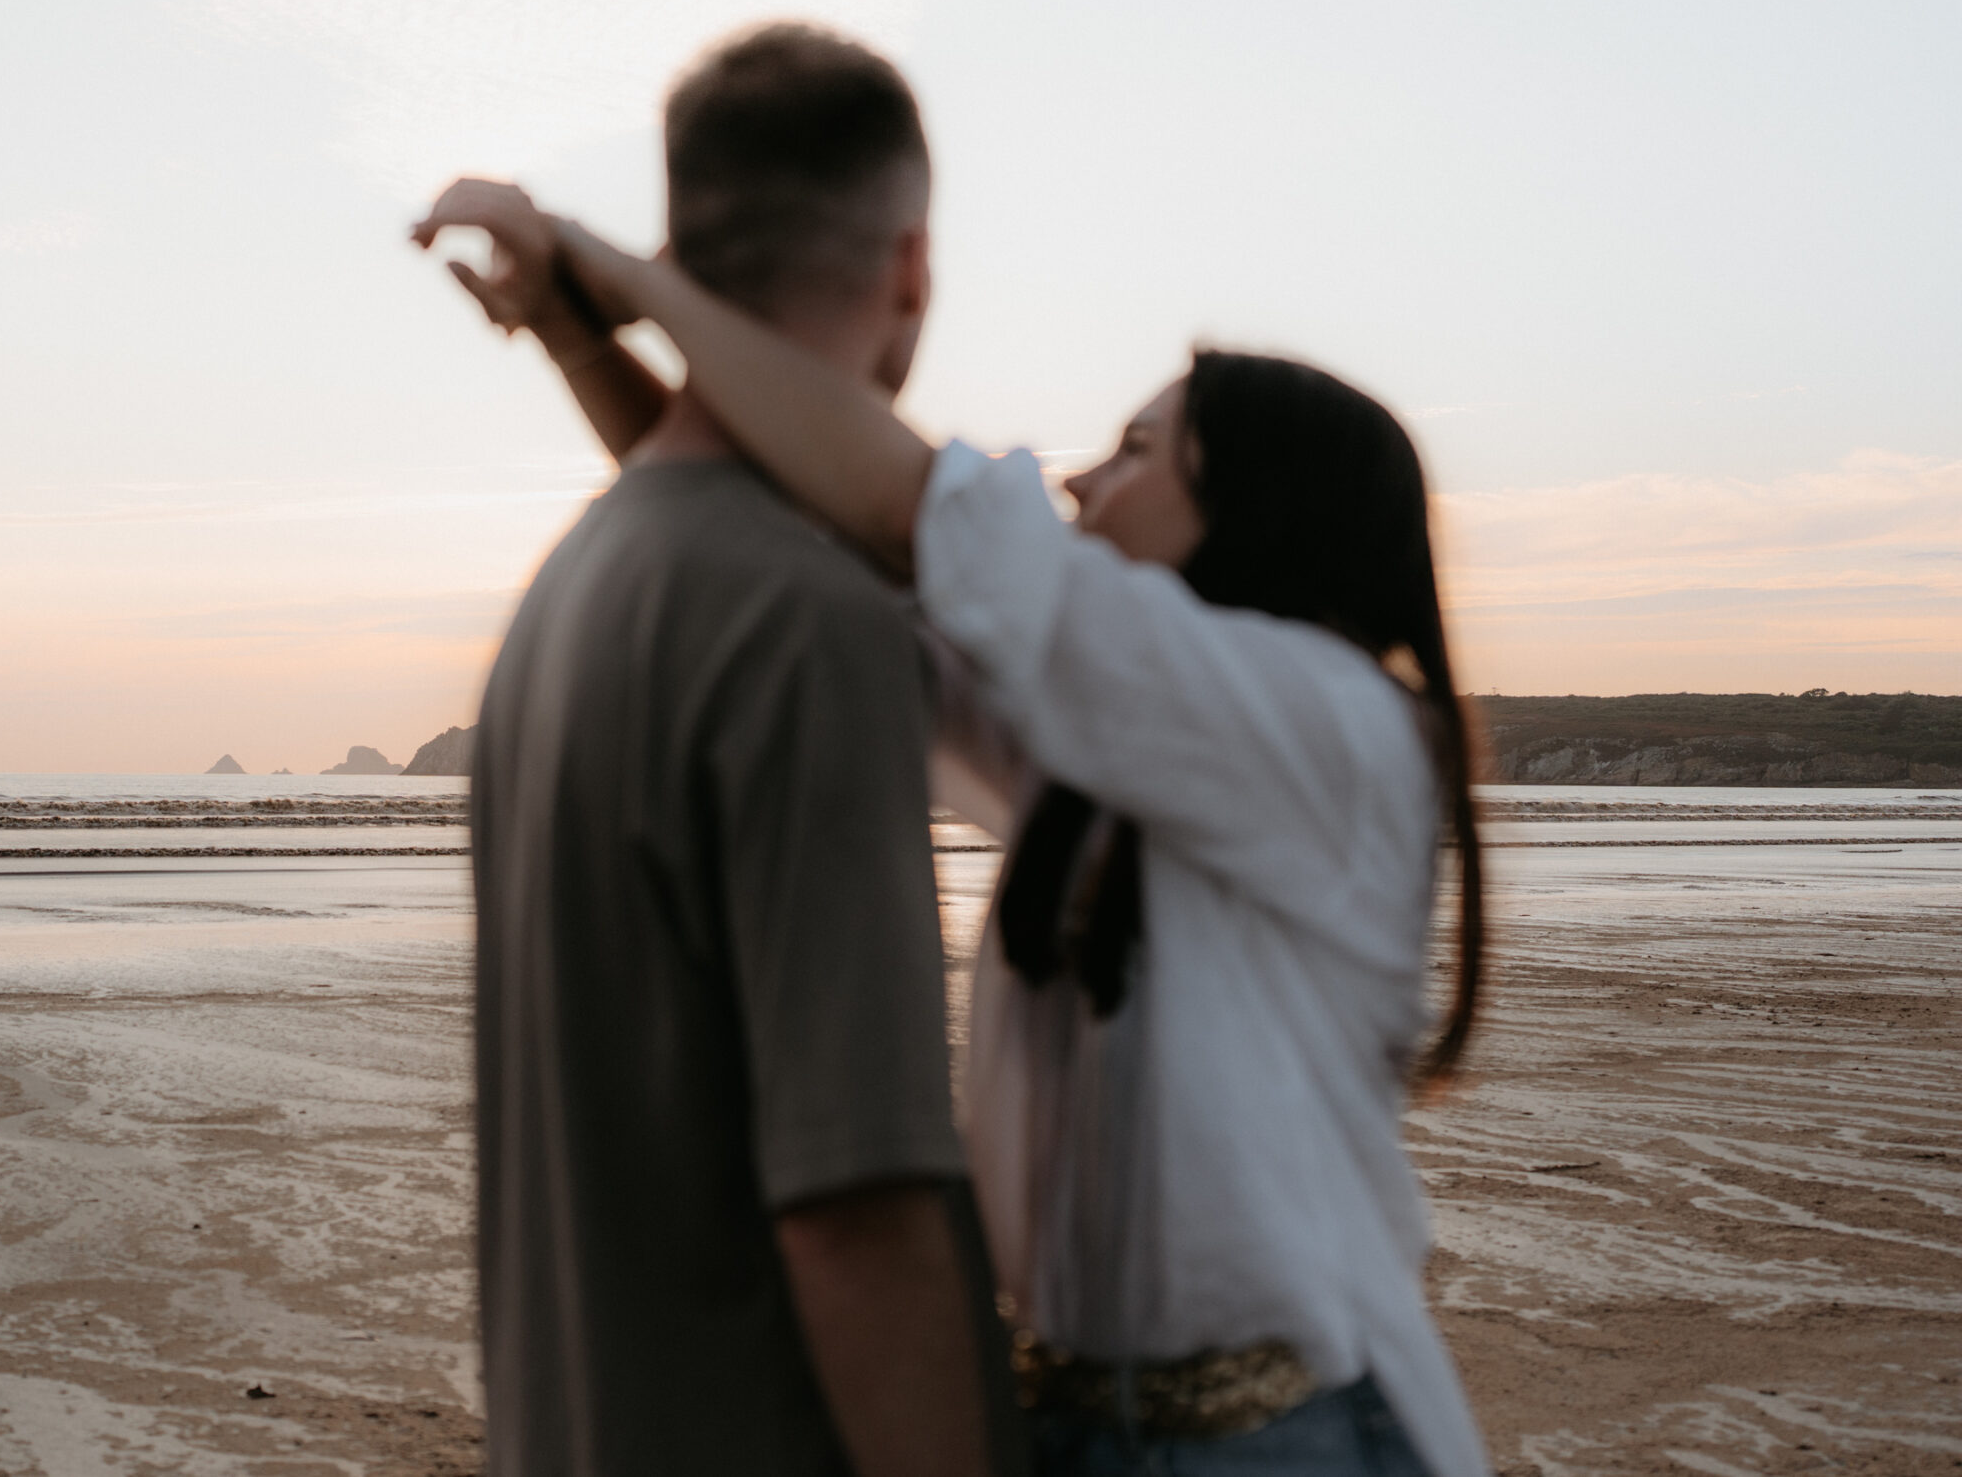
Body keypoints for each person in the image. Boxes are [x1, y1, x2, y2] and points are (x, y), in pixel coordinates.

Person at [481, 208, 1496, 1477]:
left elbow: (923, 517)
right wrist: (587, 344)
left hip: (1291, 1441)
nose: (1077, 480)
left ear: (1258, 510)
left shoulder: (1338, 733)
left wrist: (647, 283)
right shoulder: (1111, 745)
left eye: (1134, 454)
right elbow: (810, 544)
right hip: (1084, 1430)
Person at [414, 24, 1010, 1477]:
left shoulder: (574, 590)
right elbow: (858, 1203)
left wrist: (576, 327)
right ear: (912, 264)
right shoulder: (805, 626)